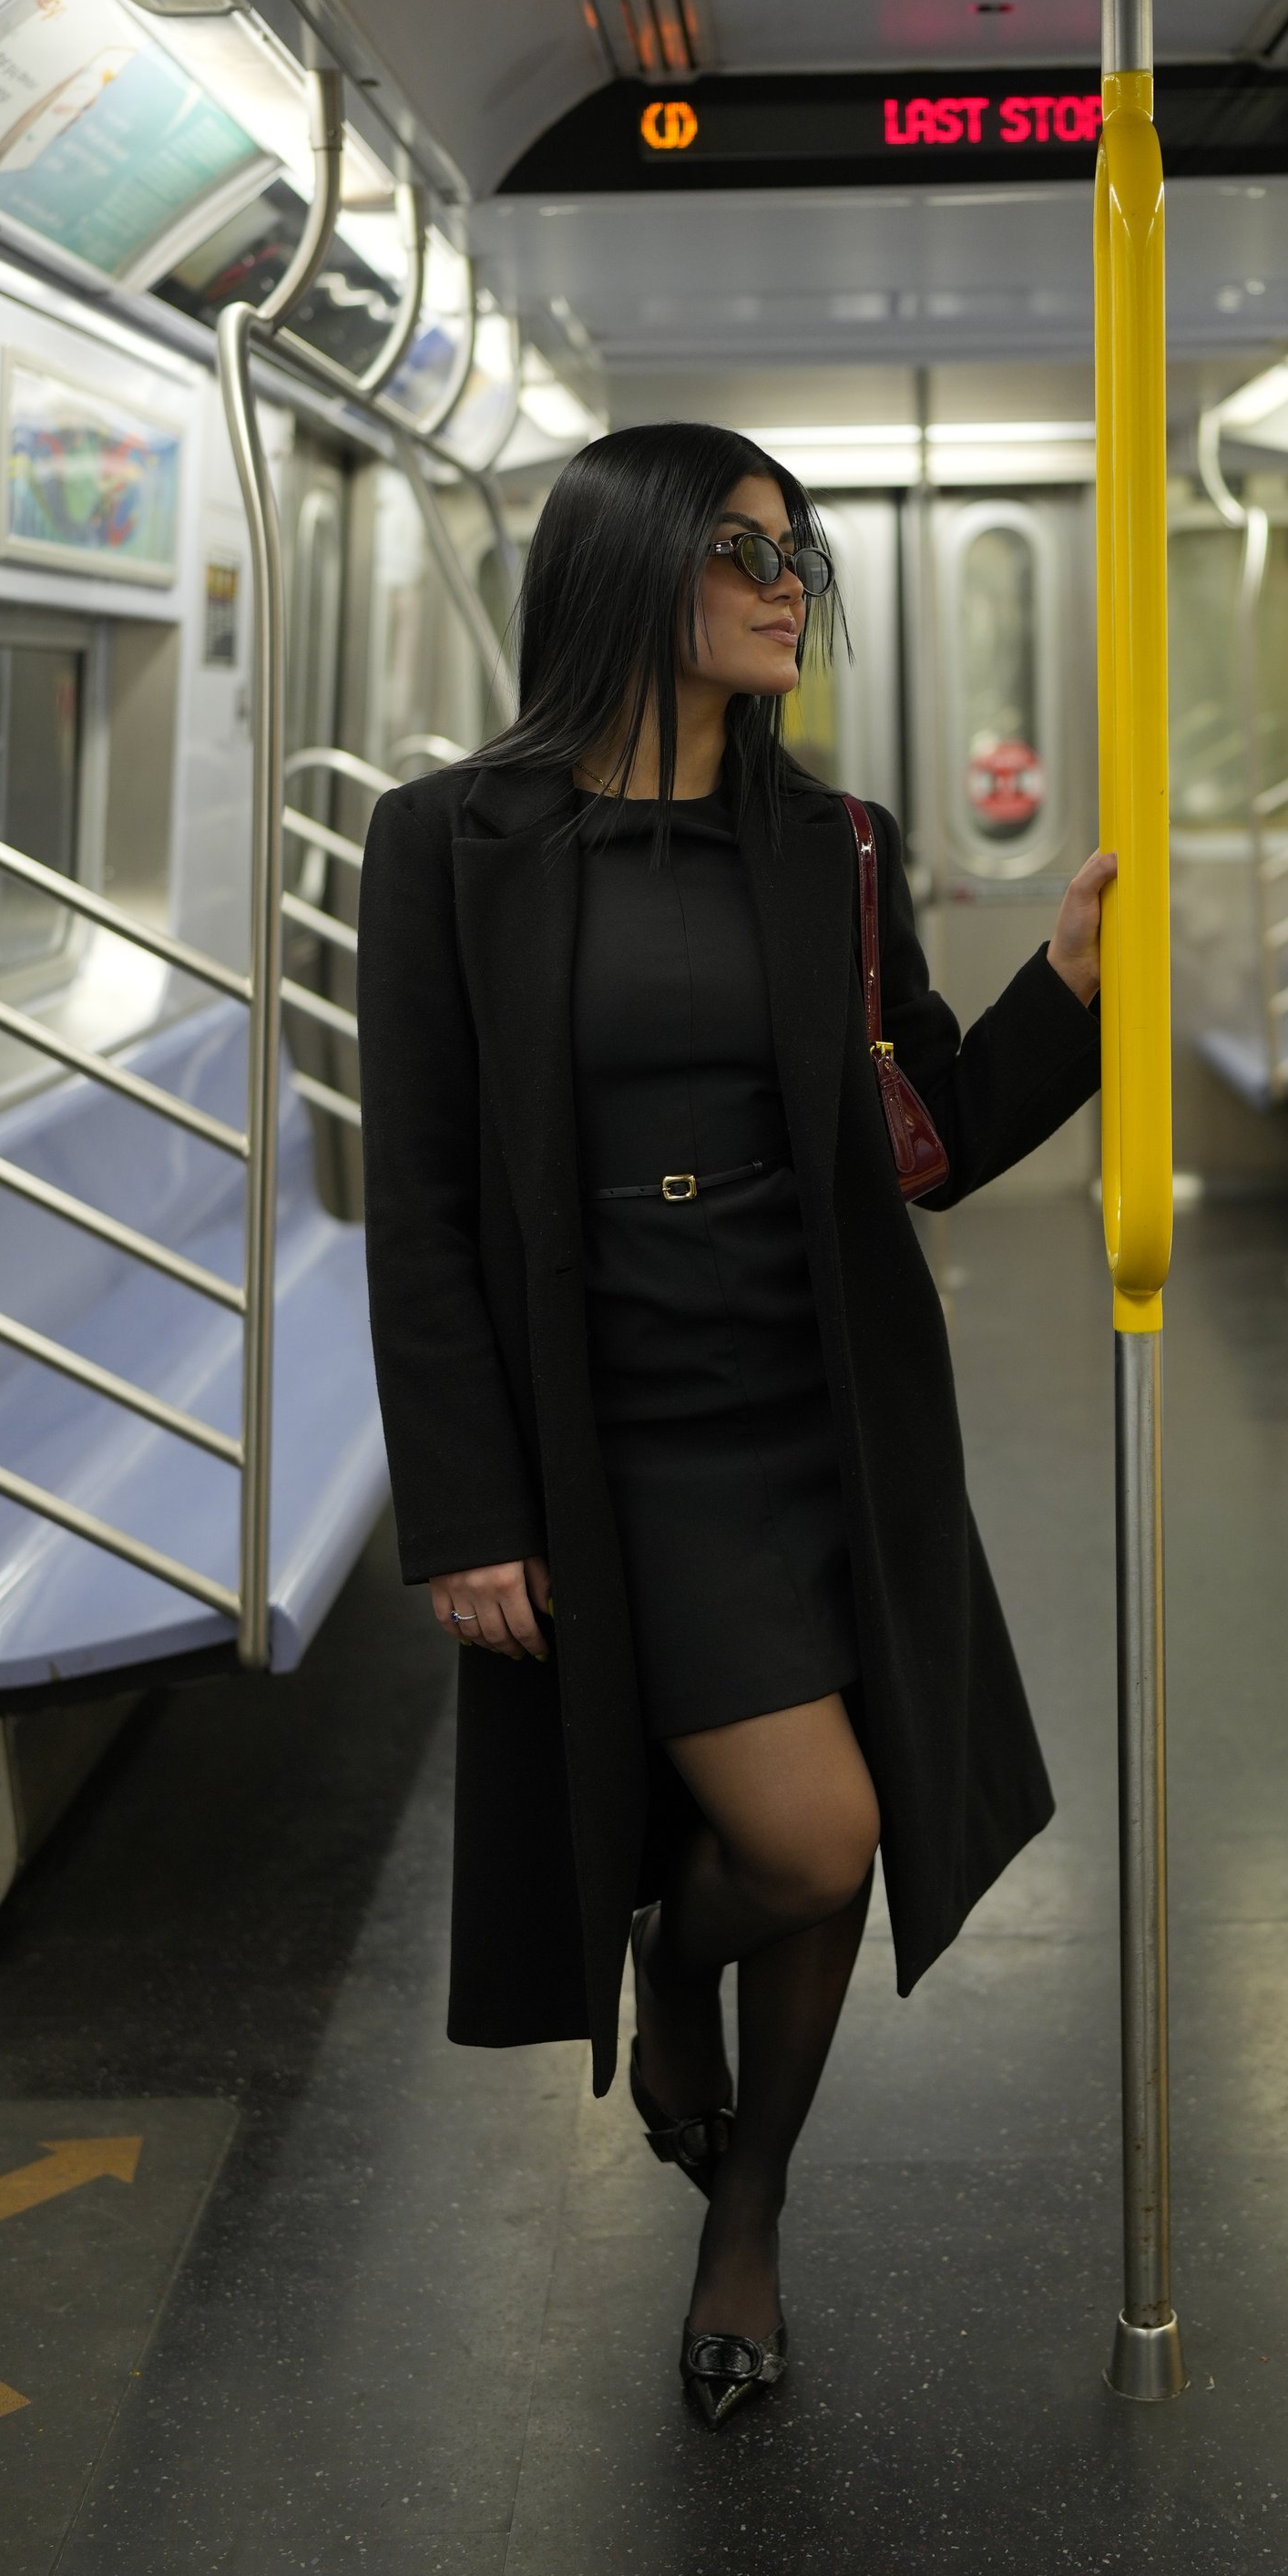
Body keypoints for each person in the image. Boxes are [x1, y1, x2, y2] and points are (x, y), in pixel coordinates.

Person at [354, 423, 1110, 2427]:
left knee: (819, 1858)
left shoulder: (829, 849)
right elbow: (421, 1201)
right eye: (745, 553)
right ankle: (665, 1983)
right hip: (616, 1448)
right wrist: (462, 1510)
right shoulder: (450, 846)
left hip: (822, 1419)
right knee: (813, 1831)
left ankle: (744, 2208)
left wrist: (1070, 989)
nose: (789, 589)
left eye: (800, 557)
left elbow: (922, 1138)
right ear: (624, 576)